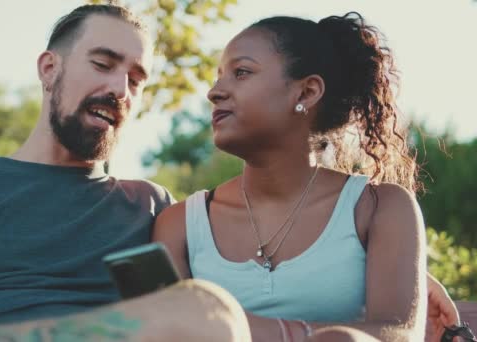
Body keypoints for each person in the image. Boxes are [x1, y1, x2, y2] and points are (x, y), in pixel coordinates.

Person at [0, 4, 459, 342]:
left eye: (136, 78)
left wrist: (402, 278)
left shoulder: (153, 205)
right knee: (203, 314)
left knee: (198, 316)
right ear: (49, 68)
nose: (118, 88)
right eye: (103, 64)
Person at [153, 11, 457, 341]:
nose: (214, 92)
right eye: (218, 77)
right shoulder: (180, 224)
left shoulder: (378, 207)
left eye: (241, 72)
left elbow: (397, 334)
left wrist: (239, 327)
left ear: (306, 92)